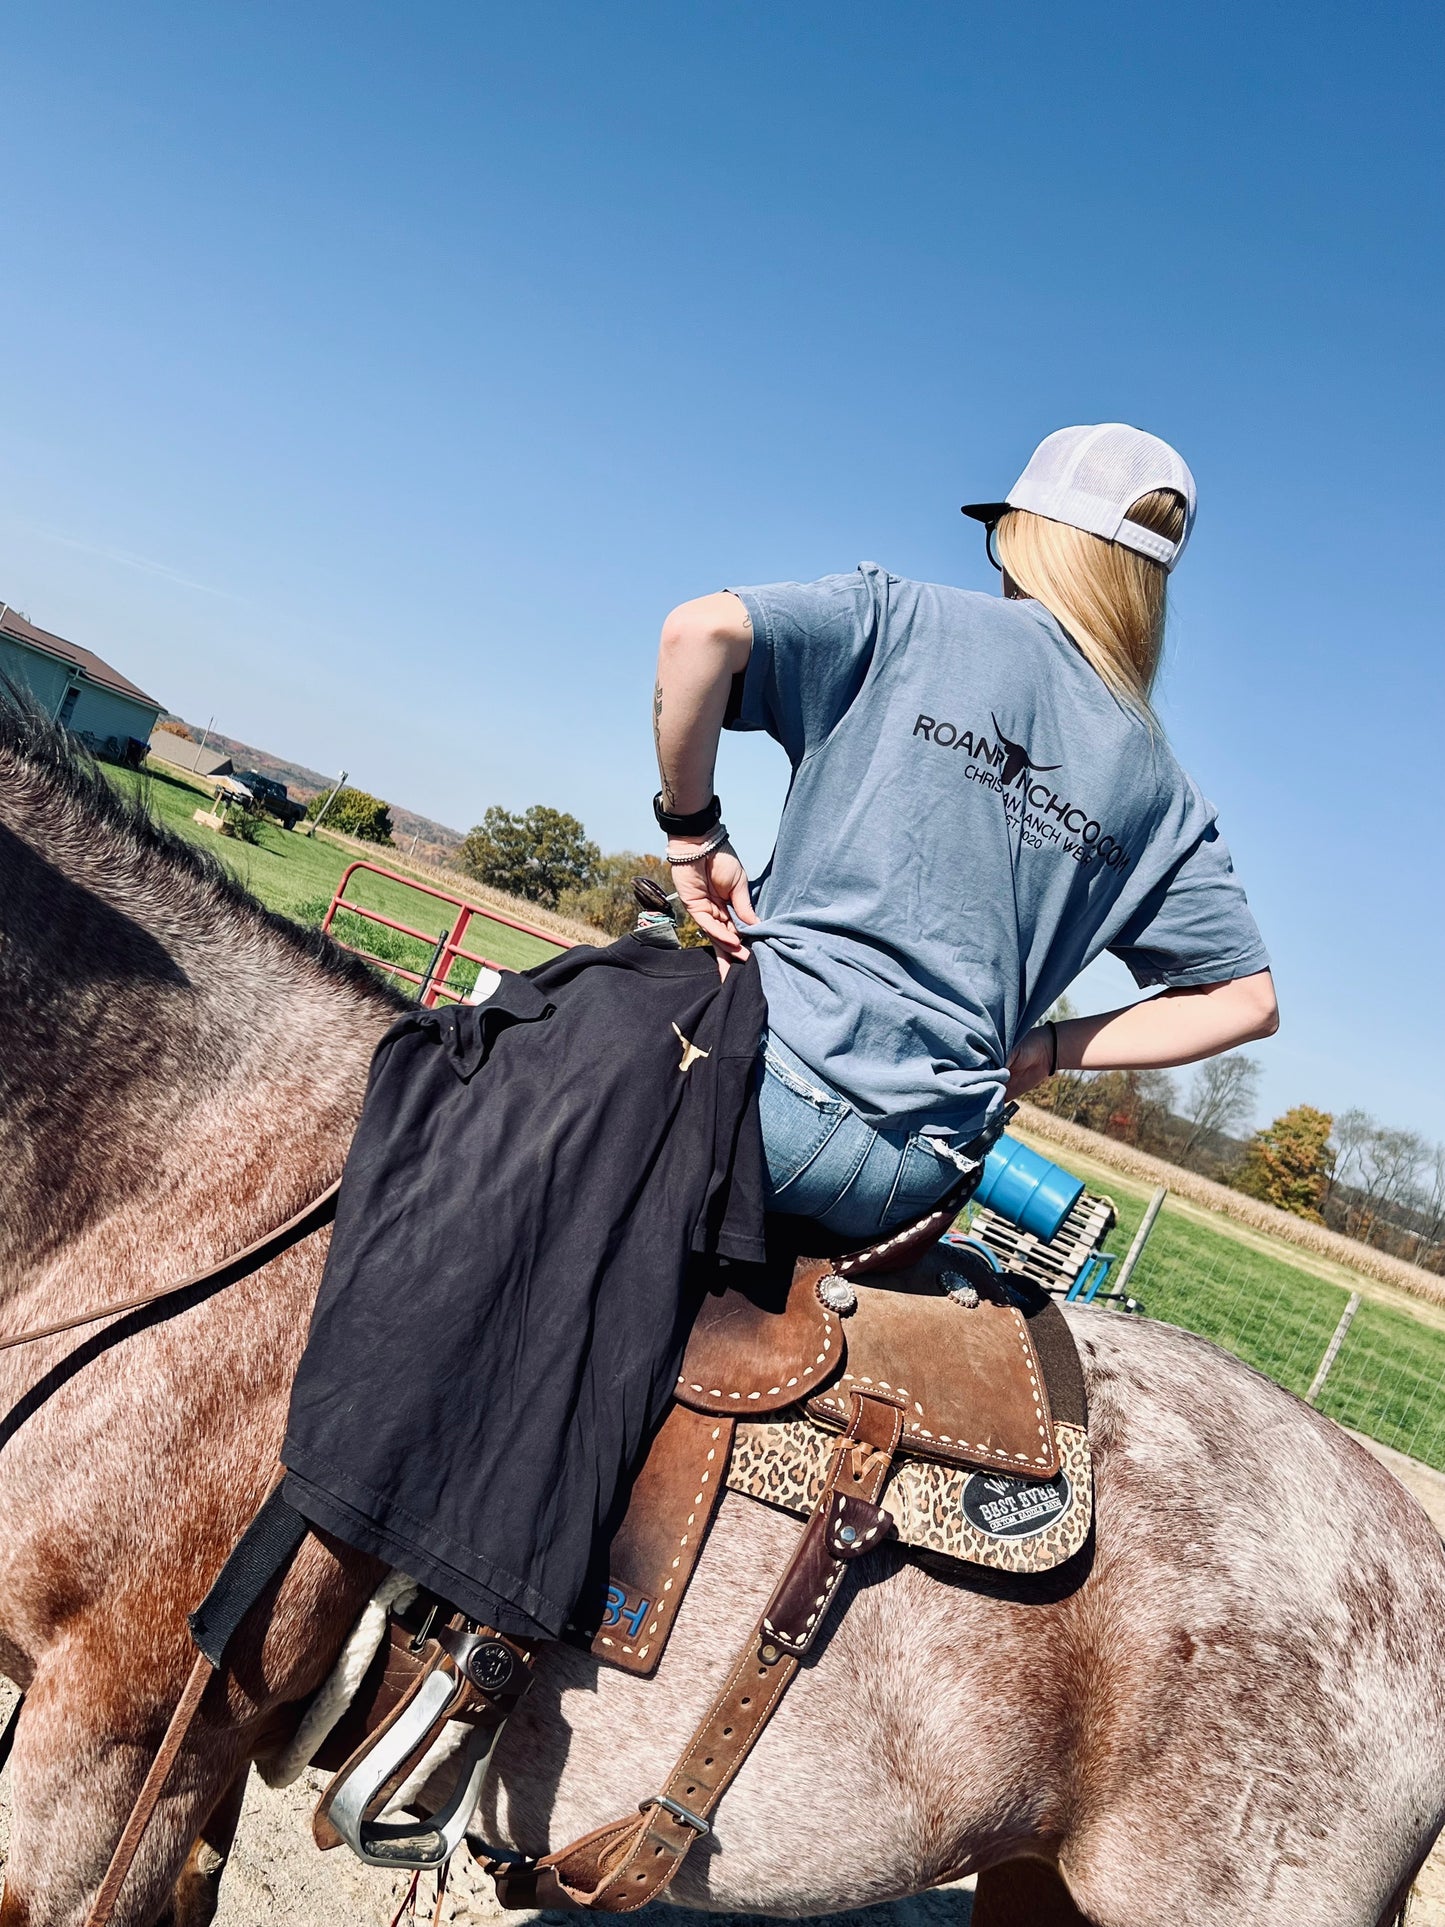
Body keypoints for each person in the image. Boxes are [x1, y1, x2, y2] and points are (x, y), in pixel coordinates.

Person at [651, 422, 1278, 1242]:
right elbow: (1248, 1001)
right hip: (913, 1169)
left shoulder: (903, 617)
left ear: (1031, 539)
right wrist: (1048, 1050)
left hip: (758, 1081)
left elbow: (697, 633)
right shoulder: (1164, 789)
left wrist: (692, 833)